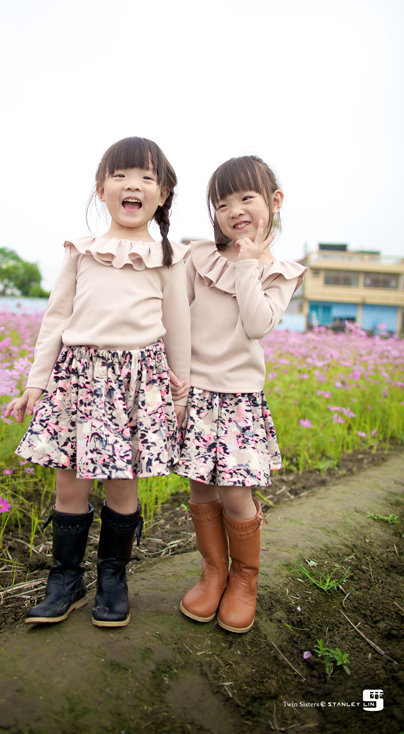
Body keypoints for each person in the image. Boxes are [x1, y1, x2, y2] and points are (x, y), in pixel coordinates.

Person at [5, 136, 190, 628]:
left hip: (136, 383)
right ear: (101, 188)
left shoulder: (169, 257)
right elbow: (56, 317)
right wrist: (35, 383)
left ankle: (113, 578)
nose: (134, 185)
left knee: (122, 488)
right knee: (69, 485)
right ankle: (66, 580)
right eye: (121, 175)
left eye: (147, 177)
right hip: (77, 379)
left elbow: (178, 327)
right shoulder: (81, 250)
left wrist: (180, 394)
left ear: (163, 194)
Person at [171, 155, 306, 633]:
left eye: (246, 197)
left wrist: (249, 264)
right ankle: (213, 572)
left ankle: (245, 579)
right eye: (222, 203)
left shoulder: (280, 272)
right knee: (200, 487)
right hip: (195, 392)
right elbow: (177, 320)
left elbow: (257, 323)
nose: (234, 211)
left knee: (234, 492)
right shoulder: (198, 257)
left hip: (239, 398)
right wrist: (176, 386)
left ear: (274, 201)